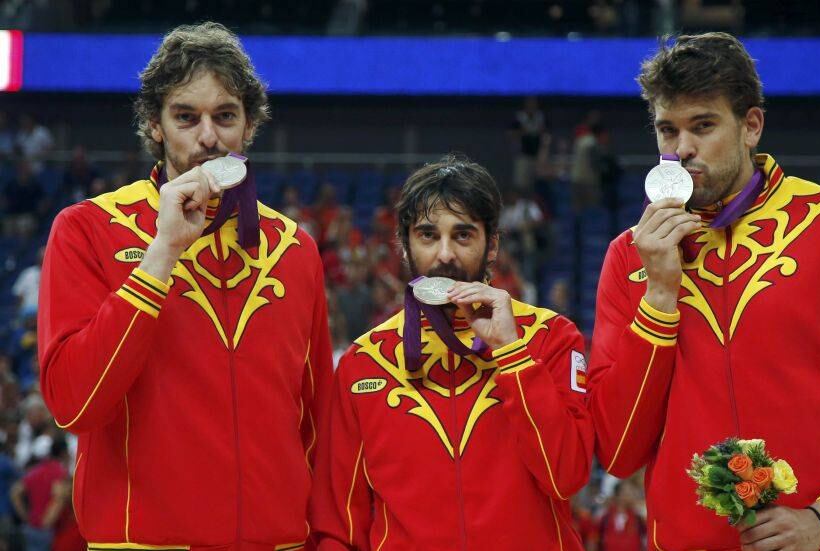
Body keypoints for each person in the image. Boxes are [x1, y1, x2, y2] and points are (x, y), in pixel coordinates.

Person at [588, 32, 820, 550]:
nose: (681, 149)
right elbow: (620, 450)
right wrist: (659, 297)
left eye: (703, 125)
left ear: (751, 126)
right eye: (667, 130)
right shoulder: (631, 258)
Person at [38, 22, 332, 549]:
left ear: (249, 125)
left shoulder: (296, 249)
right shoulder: (87, 229)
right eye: (186, 117)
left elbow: (319, 424)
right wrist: (162, 252)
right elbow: (73, 404)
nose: (208, 137)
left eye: (225, 116)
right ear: (155, 124)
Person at [311, 156, 593, 550]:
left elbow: (567, 476)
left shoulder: (551, 338)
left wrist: (512, 353)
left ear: (492, 245)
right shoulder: (364, 363)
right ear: (404, 245)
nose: (445, 254)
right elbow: (338, 527)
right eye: (428, 236)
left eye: (463, 235)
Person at [10, 436, 70, 551]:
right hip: (49, 529)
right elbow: (59, 497)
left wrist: (25, 516)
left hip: (31, 526)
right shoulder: (60, 472)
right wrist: (47, 521)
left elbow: (15, 492)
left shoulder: (36, 471)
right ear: (64, 453)